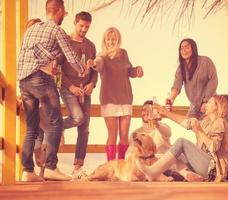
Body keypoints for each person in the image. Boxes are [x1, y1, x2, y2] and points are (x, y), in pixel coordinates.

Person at [17, 0, 86, 182]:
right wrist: (82, 69)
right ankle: (50, 167)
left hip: (24, 81)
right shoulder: (56, 30)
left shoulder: (31, 29)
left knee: (31, 127)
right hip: (41, 80)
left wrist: (50, 64)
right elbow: (71, 55)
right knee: (55, 123)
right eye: (64, 12)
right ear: (60, 11)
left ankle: (27, 171)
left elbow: (32, 54)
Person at [136, 95, 228, 182]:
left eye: (210, 102)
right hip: (204, 166)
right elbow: (186, 122)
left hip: (213, 169)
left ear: (217, 106)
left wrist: (199, 130)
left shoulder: (220, 122)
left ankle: (153, 171)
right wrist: (165, 113)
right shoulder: (205, 123)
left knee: (181, 142)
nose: (206, 105)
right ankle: (189, 174)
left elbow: (214, 147)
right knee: (175, 152)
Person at [90, 27, 144, 161]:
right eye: (108, 39)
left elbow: (129, 71)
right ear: (104, 40)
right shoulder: (101, 55)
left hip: (125, 98)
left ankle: (122, 164)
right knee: (112, 134)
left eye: (113, 39)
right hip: (109, 100)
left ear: (118, 40)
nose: (110, 42)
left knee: (124, 135)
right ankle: (111, 166)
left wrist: (137, 70)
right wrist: (93, 63)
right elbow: (98, 64)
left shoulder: (123, 54)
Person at [59, 11, 98, 180]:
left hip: (85, 90)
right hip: (68, 88)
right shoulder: (65, 42)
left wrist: (92, 84)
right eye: (81, 26)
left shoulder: (91, 46)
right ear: (75, 23)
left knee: (84, 128)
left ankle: (77, 167)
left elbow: (96, 70)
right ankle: (56, 127)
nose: (84, 29)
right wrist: (71, 87)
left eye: (87, 27)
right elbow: (58, 70)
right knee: (78, 117)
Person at [168, 38, 218, 119]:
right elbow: (176, 85)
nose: (184, 50)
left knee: (208, 128)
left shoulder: (205, 61)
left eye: (187, 47)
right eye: (181, 48)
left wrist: (206, 101)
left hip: (210, 102)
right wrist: (171, 99)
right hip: (195, 105)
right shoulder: (181, 68)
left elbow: (213, 81)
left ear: (193, 49)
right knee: (188, 124)